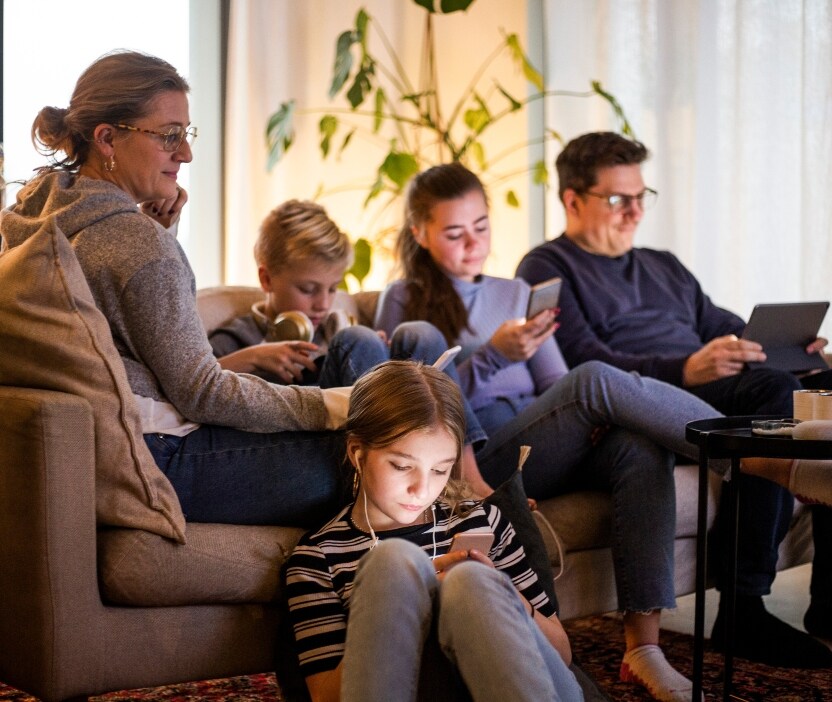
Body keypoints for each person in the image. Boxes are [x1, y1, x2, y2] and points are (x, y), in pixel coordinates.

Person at [515, 130, 832, 666]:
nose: (635, 211)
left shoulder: (663, 264)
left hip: (721, 381)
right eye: (619, 199)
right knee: (777, 393)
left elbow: (723, 324)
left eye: (642, 197)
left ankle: (829, 602)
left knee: (819, 389)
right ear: (572, 199)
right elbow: (582, 365)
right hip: (652, 397)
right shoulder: (548, 267)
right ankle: (743, 608)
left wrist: (787, 347)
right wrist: (683, 368)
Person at [0, 49, 353, 528]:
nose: (185, 154)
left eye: (185, 135)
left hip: (105, 455)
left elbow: (121, 316)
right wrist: (338, 404)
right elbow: (203, 393)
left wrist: (158, 234)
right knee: (378, 455)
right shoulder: (136, 244)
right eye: (169, 136)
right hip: (162, 458)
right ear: (107, 138)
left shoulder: (36, 219)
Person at [285, 360, 583, 702]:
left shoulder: (482, 521)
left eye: (440, 470)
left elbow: (562, 653)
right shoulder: (318, 558)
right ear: (357, 453)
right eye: (401, 466)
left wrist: (502, 593)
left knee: (470, 580)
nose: (421, 489)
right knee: (393, 562)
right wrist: (409, 606)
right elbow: (324, 696)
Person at [208, 198, 455, 390]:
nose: (323, 304)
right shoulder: (239, 336)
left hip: (368, 411)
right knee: (357, 338)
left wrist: (375, 351)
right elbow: (191, 385)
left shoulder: (334, 327)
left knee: (421, 334)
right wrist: (251, 358)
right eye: (308, 289)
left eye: (332, 288)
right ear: (267, 279)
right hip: (314, 434)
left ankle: (462, 454)